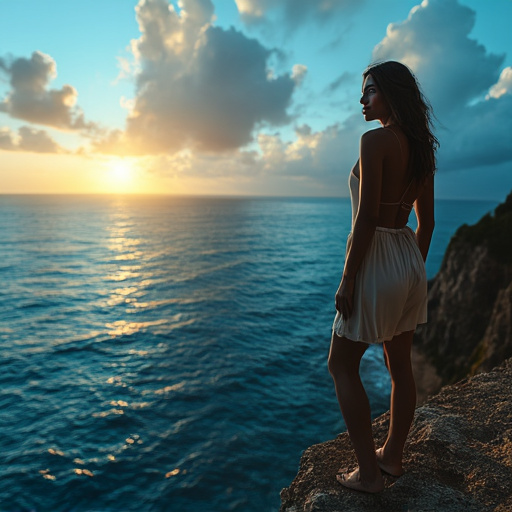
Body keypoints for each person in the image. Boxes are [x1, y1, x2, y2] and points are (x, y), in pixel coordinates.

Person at [327, 60, 438, 493]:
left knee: (340, 364)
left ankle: (369, 474)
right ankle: (391, 457)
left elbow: (368, 218)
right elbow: (425, 225)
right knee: (400, 366)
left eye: (370, 90)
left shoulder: (374, 141)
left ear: (391, 93)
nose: (362, 98)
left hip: (377, 257)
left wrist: (349, 280)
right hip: (410, 260)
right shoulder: (423, 149)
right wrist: (410, 272)